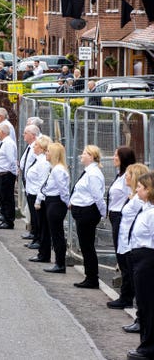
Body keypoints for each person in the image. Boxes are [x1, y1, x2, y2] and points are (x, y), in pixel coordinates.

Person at [117, 164, 150, 333]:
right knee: (135, 283)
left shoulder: (139, 200)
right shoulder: (134, 196)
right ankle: (140, 318)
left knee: (141, 289)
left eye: (129, 174)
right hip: (128, 244)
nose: (126, 177)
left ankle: (140, 319)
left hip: (135, 246)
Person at [125, 172, 154, 360]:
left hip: (148, 259)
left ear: (149, 190)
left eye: (140, 188)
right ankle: (145, 344)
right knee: (143, 304)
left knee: (149, 305)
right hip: (139, 258)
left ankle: (149, 349)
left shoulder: (152, 214)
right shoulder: (146, 208)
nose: (136, 190)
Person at [70, 144, 106, 289]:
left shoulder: (93, 174)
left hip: (87, 213)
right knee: (85, 246)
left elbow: (97, 197)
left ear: (91, 157)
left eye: (84, 153)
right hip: (82, 212)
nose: (81, 155)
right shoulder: (88, 172)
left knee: (87, 246)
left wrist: (103, 213)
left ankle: (92, 278)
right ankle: (89, 276)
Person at [106, 146, 137, 308]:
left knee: (124, 258)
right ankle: (126, 295)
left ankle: (126, 297)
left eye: (116, 155)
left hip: (121, 216)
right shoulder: (120, 176)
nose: (113, 157)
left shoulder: (128, 177)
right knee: (121, 256)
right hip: (115, 216)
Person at [33, 140, 69, 273]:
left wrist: (67, 202)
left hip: (56, 203)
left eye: (48, 151)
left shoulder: (58, 170)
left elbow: (63, 190)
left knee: (57, 235)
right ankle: (59, 262)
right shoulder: (55, 168)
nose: (46, 153)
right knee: (55, 234)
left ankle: (60, 263)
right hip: (52, 201)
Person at [0, 124, 18, 230]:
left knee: (7, 198)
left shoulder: (8, 143)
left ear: (3, 132)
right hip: (2, 174)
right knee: (3, 197)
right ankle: (4, 219)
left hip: (6, 174)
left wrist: (11, 174)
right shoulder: (4, 142)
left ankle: (8, 221)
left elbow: (11, 160)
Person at [19, 125, 41, 247]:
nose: (24, 135)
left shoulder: (35, 147)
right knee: (32, 213)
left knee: (36, 214)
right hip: (28, 182)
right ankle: (34, 234)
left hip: (34, 185)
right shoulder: (30, 146)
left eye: (25, 133)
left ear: (32, 135)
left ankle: (37, 237)